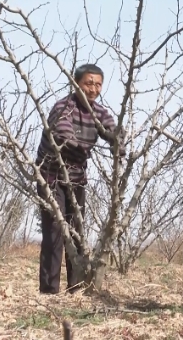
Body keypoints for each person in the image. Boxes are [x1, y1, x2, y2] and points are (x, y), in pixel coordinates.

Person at [34, 63, 126, 295]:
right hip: (51, 177)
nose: (93, 89)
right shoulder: (63, 107)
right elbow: (65, 137)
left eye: (98, 84)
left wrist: (117, 144)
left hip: (77, 179)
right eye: (88, 83)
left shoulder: (100, 112)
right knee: (54, 233)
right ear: (76, 84)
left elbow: (114, 131)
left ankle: (75, 289)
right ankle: (49, 293)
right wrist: (87, 147)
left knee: (75, 235)